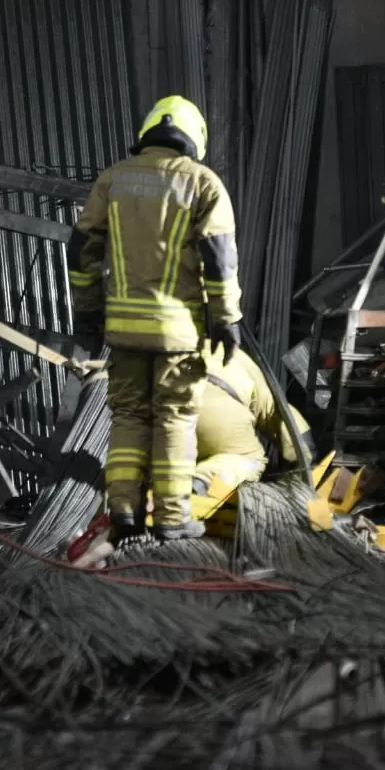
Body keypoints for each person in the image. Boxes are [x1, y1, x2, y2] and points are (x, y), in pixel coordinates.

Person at [67, 95, 243, 542]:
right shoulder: (203, 184)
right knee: (175, 419)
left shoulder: (113, 180)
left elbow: (82, 249)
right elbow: (219, 261)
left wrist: (87, 313)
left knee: (127, 416)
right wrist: (226, 319)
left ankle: (123, 512)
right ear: (194, 139)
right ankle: (171, 518)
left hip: (123, 330)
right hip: (179, 332)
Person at [194, 348, 315, 494]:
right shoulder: (237, 356)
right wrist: (308, 455)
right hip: (213, 407)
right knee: (250, 459)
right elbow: (277, 412)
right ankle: (202, 483)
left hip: (163, 404)